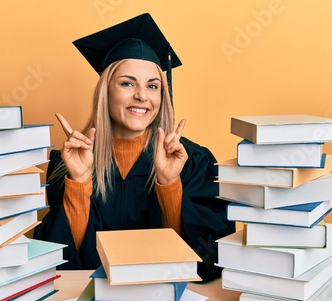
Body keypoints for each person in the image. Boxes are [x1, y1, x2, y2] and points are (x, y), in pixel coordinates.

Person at [34, 13, 235, 282]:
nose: (142, 95)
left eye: (153, 86)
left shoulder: (193, 160)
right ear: (106, 91)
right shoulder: (69, 162)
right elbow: (56, 261)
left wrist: (170, 184)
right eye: (127, 83)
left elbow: (212, 258)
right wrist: (79, 183)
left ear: (163, 95)